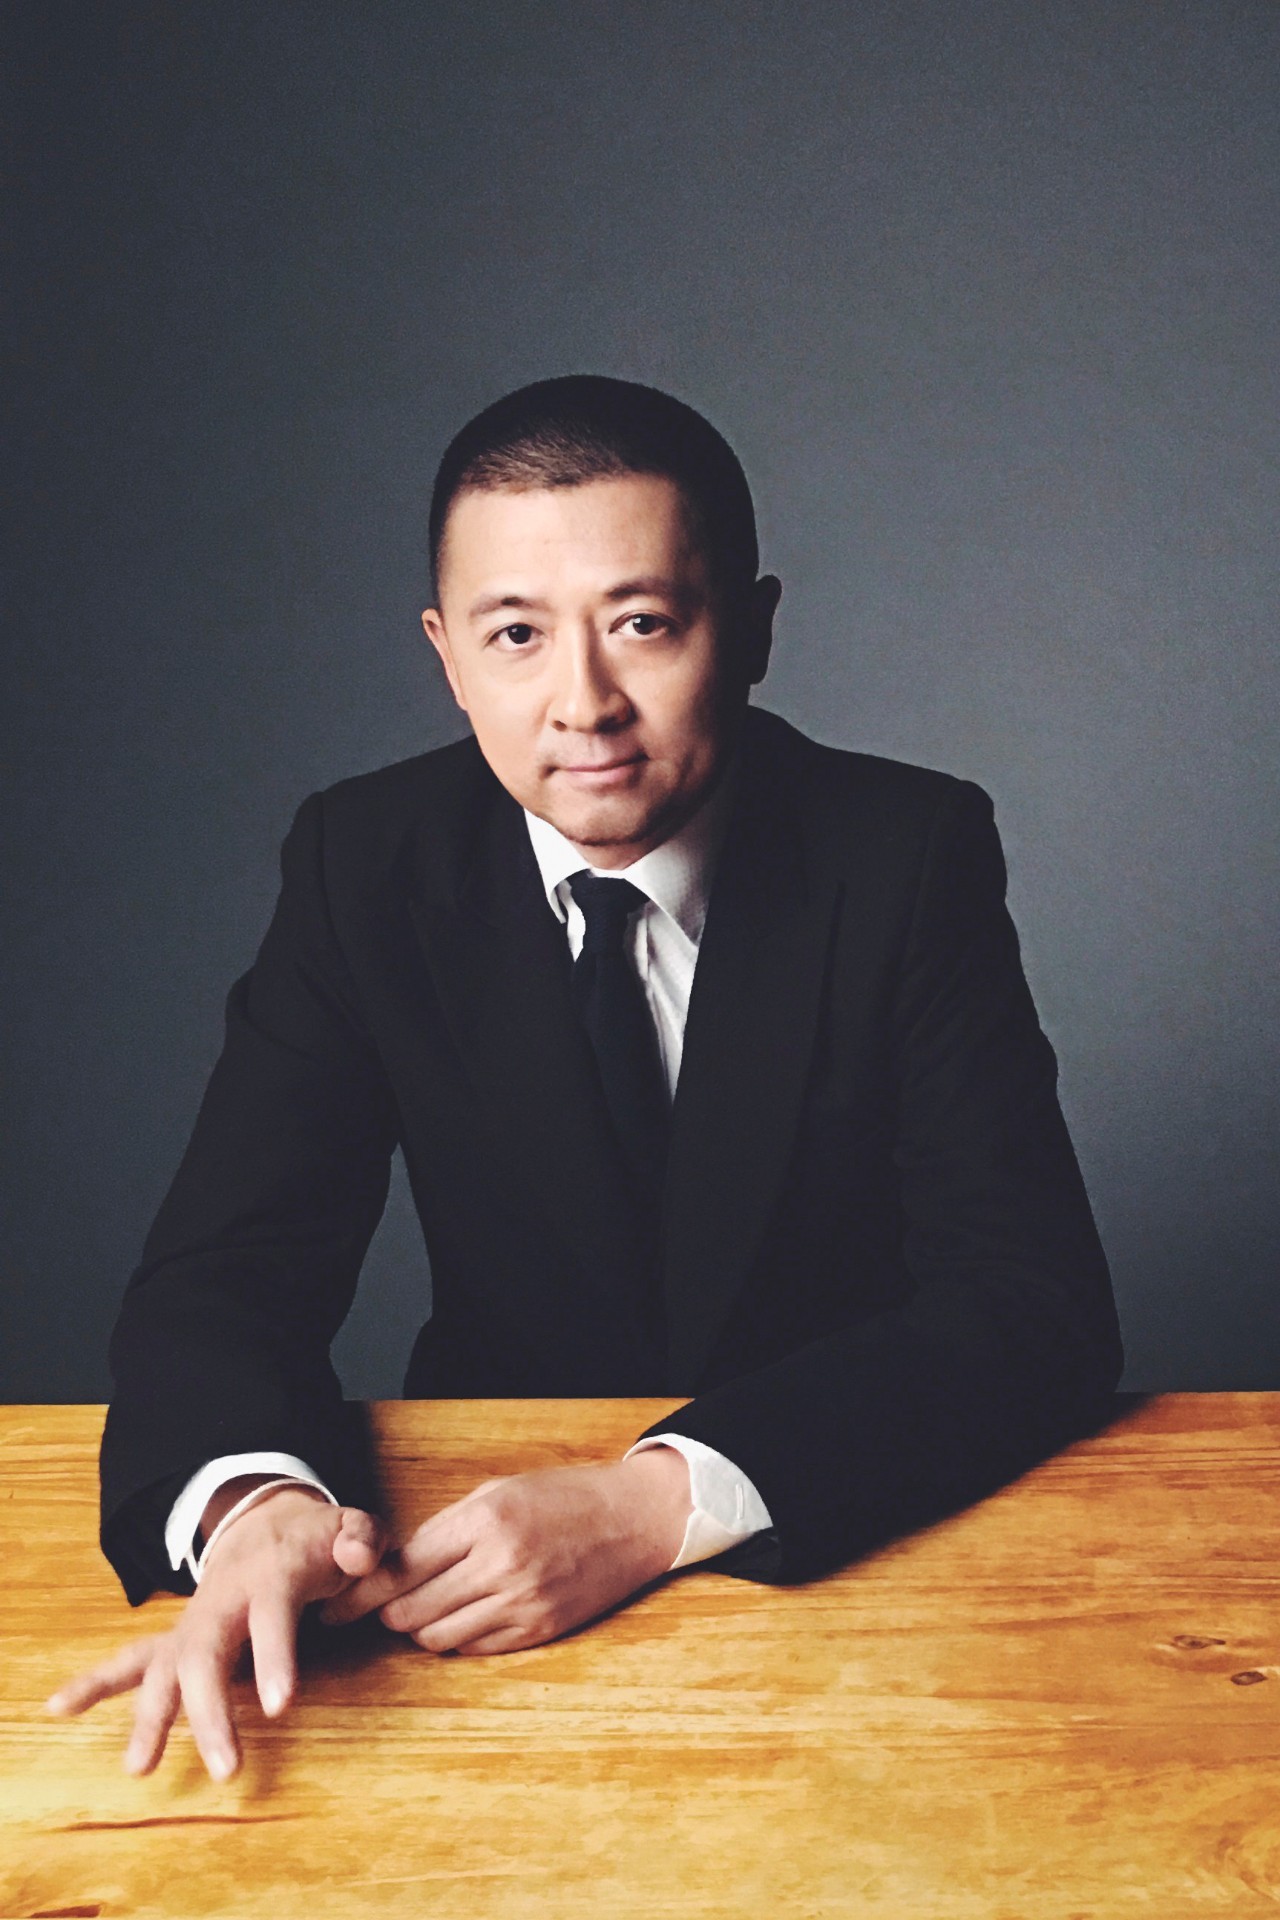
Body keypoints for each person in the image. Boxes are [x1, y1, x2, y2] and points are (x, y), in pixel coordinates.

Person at [48, 374, 1123, 1781]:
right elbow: (225, 1272)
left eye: (643, 625)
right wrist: (257, 1507)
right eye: (516, 634)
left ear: (751, 630)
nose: (584, 705)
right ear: (446, 655)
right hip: (458, 1574)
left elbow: (1032, 1305)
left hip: (853, 1547)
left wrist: (653, 1505)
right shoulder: (364, 865)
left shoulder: (905, 853)